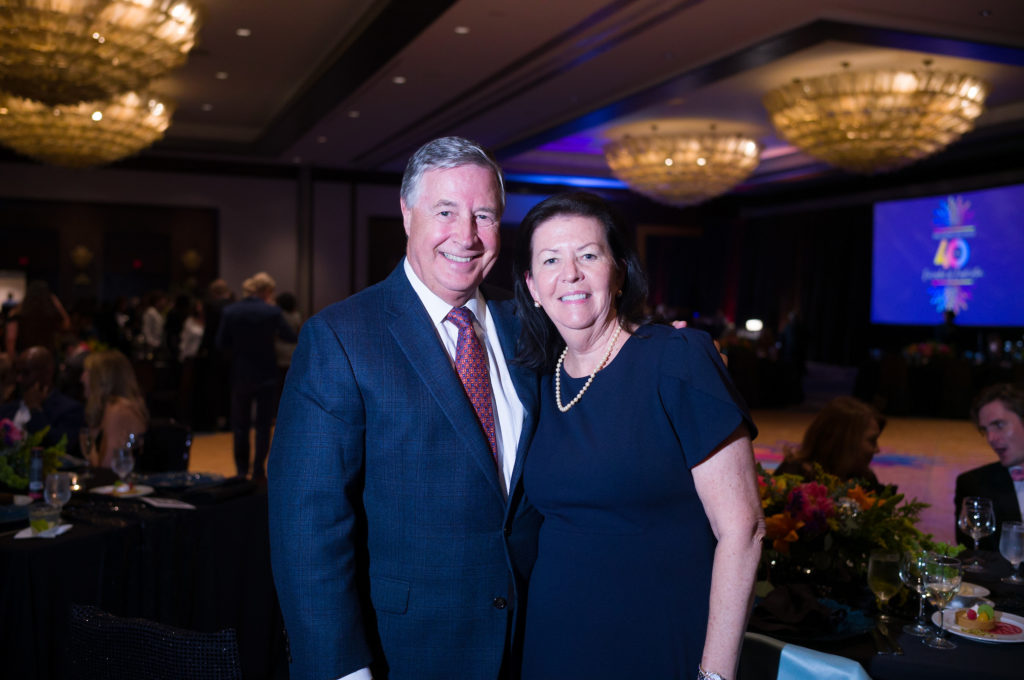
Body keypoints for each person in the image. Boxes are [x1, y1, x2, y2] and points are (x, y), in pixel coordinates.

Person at [268, 136, 542, 680]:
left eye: (484, 215)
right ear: (406, 213)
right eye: (445, 212)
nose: (466, 235)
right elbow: (307, 527)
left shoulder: (528, 326)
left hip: (534, 642)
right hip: (409, 650)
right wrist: (341, 670)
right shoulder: (341, 338)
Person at [510, 191, 763, 680]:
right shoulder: (539, 378)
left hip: (655, 640)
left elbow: (744, 529)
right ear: (532, 286)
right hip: (553, 642)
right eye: (551, 260)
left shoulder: (677, 358)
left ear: (620, 271)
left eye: (588, 255)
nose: (570, 274)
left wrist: (715, 675)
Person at [217, 272, 297, 481]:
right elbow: (289, 336)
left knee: (240, 425)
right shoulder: (271, 311)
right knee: (263, 425)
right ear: (267, 291)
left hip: (241, 372)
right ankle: (259, 469)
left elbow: (221, 343)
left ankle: (241, 470)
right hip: (266, 372)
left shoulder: (231, 311)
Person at [955, 383, 1024, 550]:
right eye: (985, 430)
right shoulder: (974, 485)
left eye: (999, 425)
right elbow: (973, 556)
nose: (991, 438)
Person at [774, 396, 886, 490]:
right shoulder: (791, 478)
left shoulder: (864, 479)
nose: (877, 450)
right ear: (843, 442)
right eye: (872, 440)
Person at [0, 346, 85, 456]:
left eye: (26, 373)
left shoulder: (70, 410)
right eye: (17, 372)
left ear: (47, 373)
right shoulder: (7, 409)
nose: (19, 379)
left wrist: (35, 410)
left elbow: (61, 447)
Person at [82, 350, 148, 468]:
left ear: (101, 378)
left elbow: (108, 467)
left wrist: (89, 446)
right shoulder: (116, 407)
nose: (82, 378)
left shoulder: (117, 410)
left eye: (87, 371)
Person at [4, 280, 71, 360]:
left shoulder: (19, 314)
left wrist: (14, 361)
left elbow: (10, 340)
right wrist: (58, 304)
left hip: (26, 357)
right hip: (47, 357)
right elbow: (66, 325)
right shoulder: (50, 315)